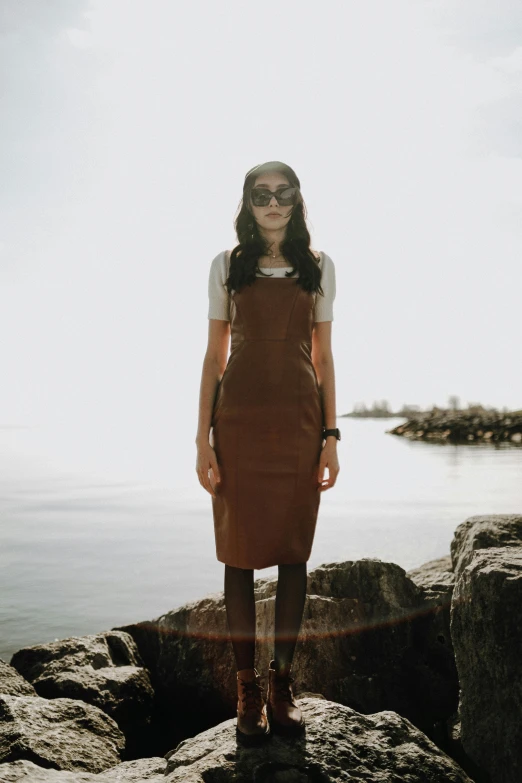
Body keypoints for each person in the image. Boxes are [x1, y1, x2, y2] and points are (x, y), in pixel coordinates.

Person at [195, 161, 340, 744]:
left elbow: (325, 358)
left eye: (283, 193)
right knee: (238, 555)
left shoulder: (319, 267)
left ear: (297, 200)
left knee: (293, 553)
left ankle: (282, 685)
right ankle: (247, 691)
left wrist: (332, 436)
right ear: (248, 203)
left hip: (302, 422)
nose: (273, 203)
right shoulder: (227, 266)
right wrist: (201, 437)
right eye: (262, 194)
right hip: (239, 423)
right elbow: (213, 356)